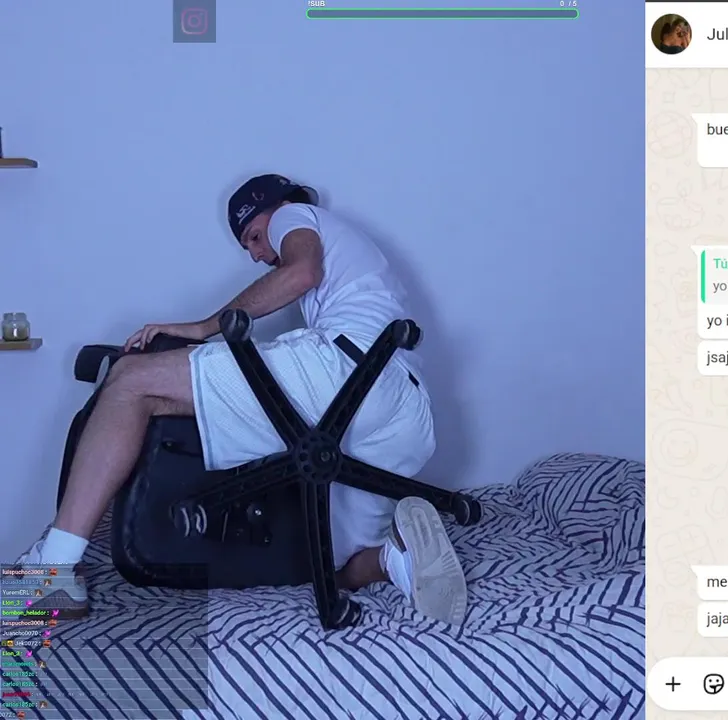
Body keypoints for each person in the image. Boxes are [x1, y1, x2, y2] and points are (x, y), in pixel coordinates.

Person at [9, 174, 468, 626]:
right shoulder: (360, 269)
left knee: (130, 380)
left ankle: (53, 570)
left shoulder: (294, 214)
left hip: (346, 372)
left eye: (252, 236)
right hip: (403, 412)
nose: (255, 254)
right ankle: (399, 561)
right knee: (335, 569)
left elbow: (301, 272)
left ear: (272, 208)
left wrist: (202, 328)